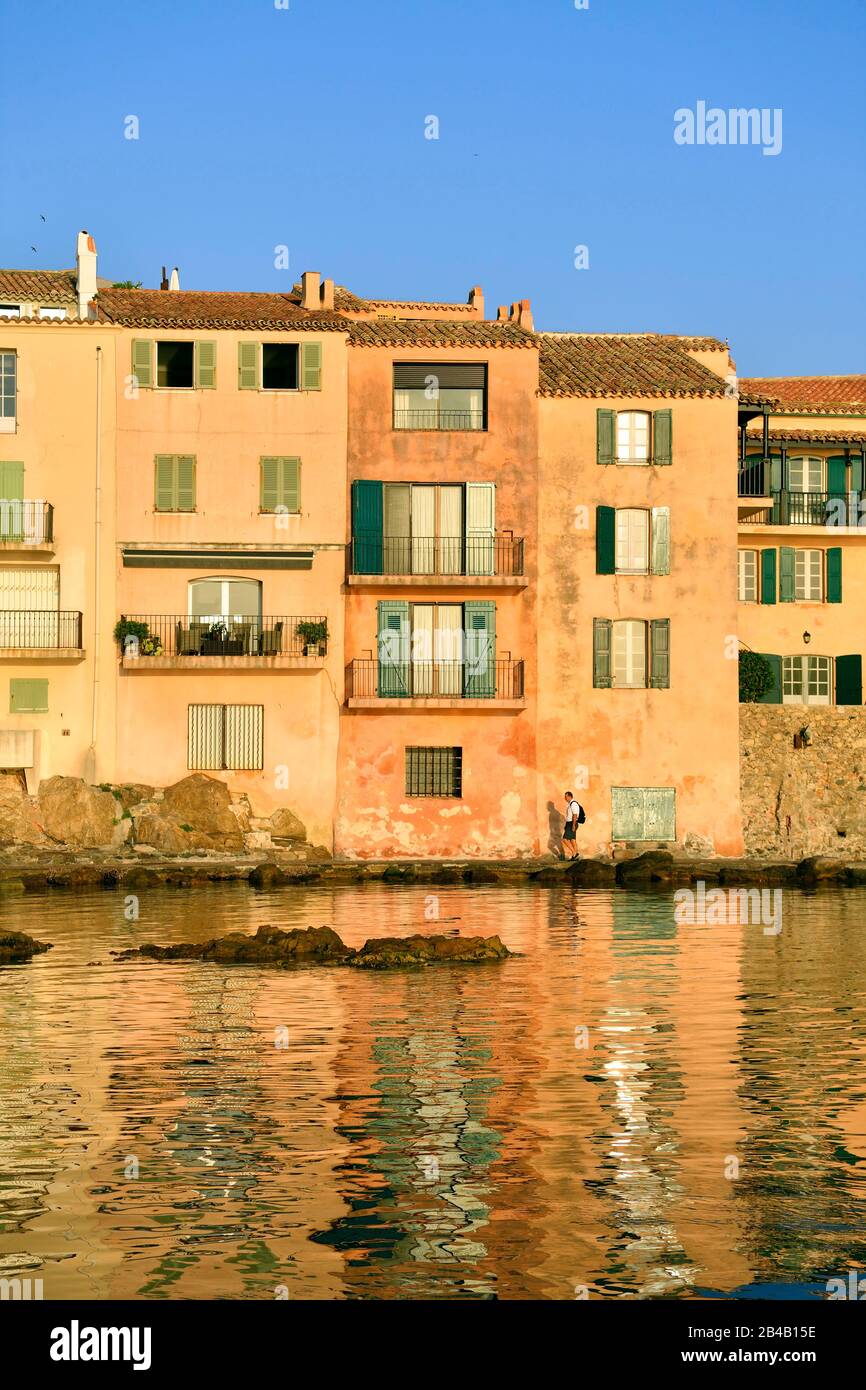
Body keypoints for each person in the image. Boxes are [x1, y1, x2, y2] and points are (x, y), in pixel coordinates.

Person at [561, 790, 582, 859]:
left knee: (564, 839)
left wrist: (573, 825)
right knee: (572, 840)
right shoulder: (570, 804)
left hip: (572, 823)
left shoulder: (573, 804)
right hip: (570, 823)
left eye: (566, 797)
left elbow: (575, 815)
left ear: (570, 796)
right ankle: (575, 855)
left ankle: (574, 853)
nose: (565, 798)